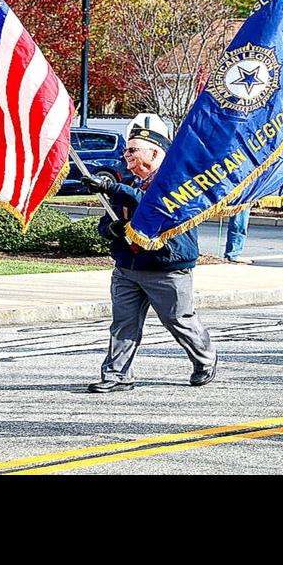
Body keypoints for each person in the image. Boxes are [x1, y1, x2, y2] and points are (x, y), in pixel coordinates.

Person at [83, 121, 219, 393]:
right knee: (123, 324)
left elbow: (149, 203)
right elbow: (108, 220)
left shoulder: (175, 183)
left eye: (133, 150)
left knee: (178, 320)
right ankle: (117, 375)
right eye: (126, 150)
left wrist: (112, 187)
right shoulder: (128, 183)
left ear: (155, 153)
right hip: (128, 267)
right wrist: (111, 230)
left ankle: (205, 359)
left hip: (166, 268)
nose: (127, 155)